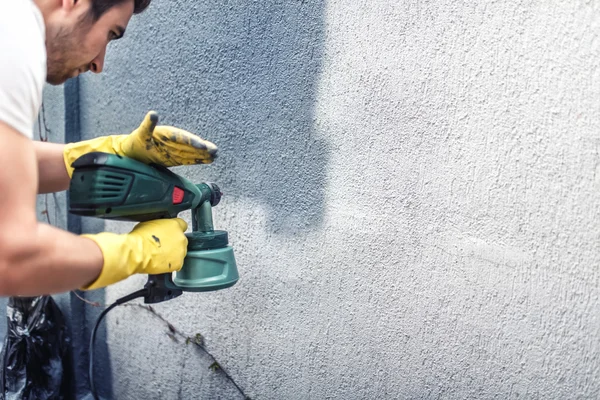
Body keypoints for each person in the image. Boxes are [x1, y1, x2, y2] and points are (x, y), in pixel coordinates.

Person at [0, 0, 217, 296]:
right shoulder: (16, 38)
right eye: (111, 34)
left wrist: (112, 151)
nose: (98, 64)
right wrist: (134, 253)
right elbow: (11, 260)